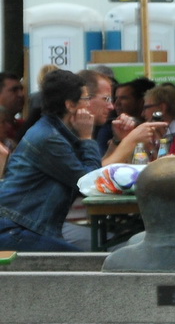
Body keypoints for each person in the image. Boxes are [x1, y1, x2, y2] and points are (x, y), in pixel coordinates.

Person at [0, 69, 103, 251]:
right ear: (70, 105)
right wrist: (87, 138)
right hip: (15, 229)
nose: (88, 106)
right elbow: (91, 183)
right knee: (86, 265)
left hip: (25, 227)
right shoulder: (49, 138)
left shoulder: (58, 133)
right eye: (86, 99)